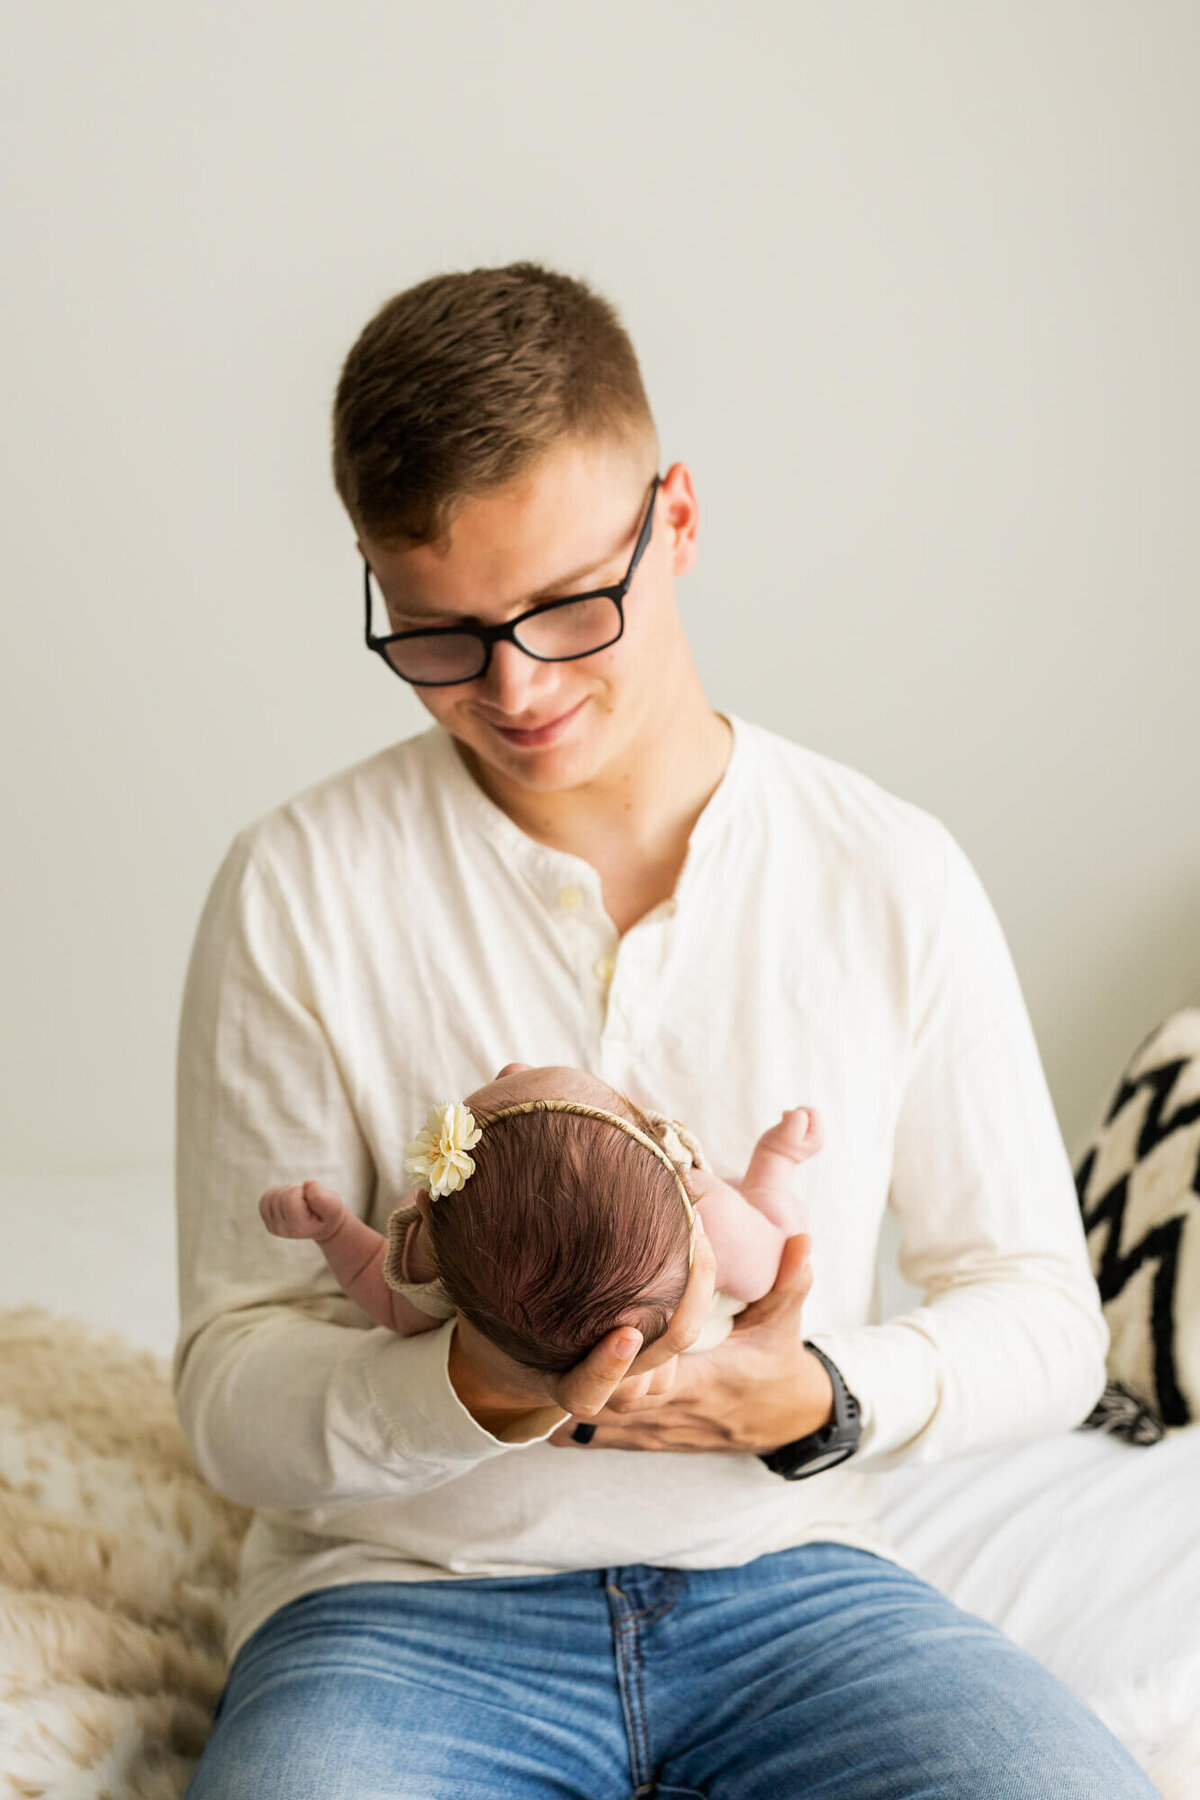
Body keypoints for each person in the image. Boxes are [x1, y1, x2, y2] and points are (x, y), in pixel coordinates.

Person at [175, 261, 1157, 1797]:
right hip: (399, 1615)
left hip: (792, 1588)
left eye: (569, 605)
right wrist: (476, 1393)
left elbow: (1041, 1311)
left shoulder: (885, 869)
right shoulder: (298, 883)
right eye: (440, 634)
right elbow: (231, 1388)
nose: (515, 684)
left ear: (677, 519)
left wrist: (823, 1398)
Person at [257, 1062, 824, 1367]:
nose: (510, 1065)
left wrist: (335, 1233)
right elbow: (780, 1253)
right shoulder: (707, 1214)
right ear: (658, 1145)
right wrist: (773, 1167)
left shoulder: (444, 1249)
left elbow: (390, 1307)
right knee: (765, 1231)